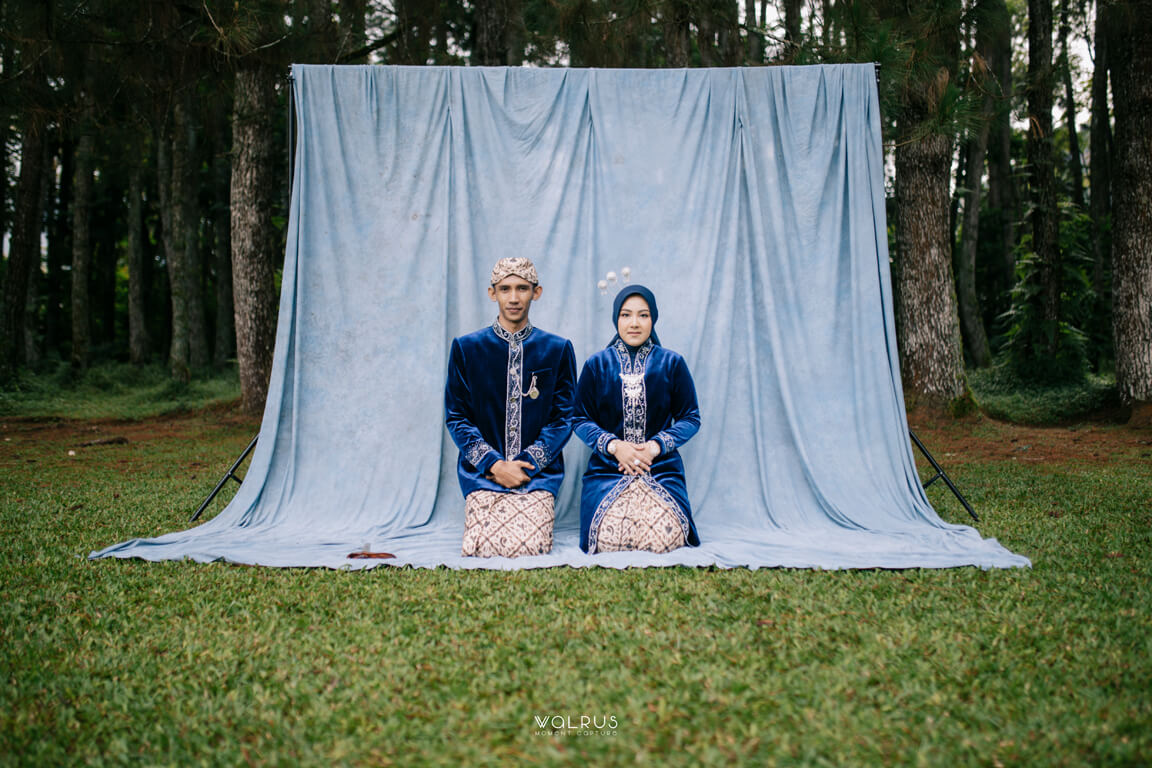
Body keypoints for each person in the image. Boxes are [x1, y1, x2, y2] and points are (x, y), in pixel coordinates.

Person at [444, 258, 577, 558]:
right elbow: (457, 417)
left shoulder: (557, 349)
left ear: (536, 293)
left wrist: (526, 464)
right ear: (492, 293)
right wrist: (494, 464)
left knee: (531, 546)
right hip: (483, 474)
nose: (514, 298)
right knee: (480, 547)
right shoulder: (467, 348)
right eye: (505, 289)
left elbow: (564, 418)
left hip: (537, 475)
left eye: (522, 288)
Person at [573, 285, 702, 554]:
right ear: (616, 319)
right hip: (608, 469)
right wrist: (614, 446)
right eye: (626, 315)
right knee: (609, 537)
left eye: (643, 315)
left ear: (653, 319)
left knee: (663, 539)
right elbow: (580, 418)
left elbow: (690, 418)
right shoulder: (597, 365)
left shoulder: (671, 363)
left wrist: (654, 447)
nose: (634, 323)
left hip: (660, 467)